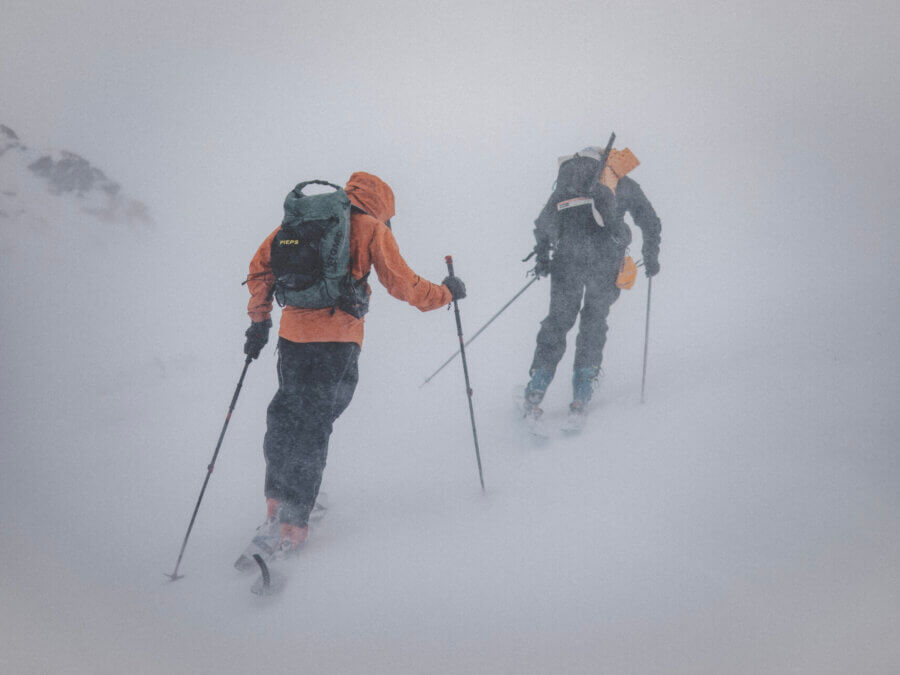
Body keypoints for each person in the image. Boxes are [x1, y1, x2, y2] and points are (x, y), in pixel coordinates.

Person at [239, 171, 466, 562]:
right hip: (338, 342)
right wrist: (446, 294)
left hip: (292, 338)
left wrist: (259, 320)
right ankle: (296, 521)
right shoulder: (371, 228)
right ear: (382, 205)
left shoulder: (300, 221)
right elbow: (403, 284)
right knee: (316, 423)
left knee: (287, 414)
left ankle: (276, 505)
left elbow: (261, 268)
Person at [523, 143, 661, 422]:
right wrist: (650, 254)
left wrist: (543, 256)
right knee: (594, 320)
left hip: (567, 258)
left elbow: (543, 223)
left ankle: (536, 387)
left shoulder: (570, 184)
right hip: (606, 259)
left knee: (559, 320)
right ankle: (582, 392)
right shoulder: (623, 183)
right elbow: (650, 220)